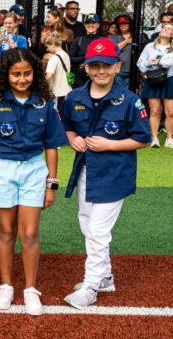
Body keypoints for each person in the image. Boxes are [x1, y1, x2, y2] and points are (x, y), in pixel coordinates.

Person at [0, 47, 68, 315]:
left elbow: (52, 146)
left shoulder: (44, 102)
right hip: (1, 170)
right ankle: (6, 286)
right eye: (16, 74)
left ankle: (30, 289)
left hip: (34, 171)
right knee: (6, 231)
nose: (22, 79)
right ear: (6, 74)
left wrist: (51, 184)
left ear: (35, 73)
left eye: (27, 73)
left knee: (29, 233)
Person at [60, 38, 151, 309]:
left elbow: (143, 138)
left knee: (98, 231)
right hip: (85, 170)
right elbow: (66, 125)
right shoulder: (74, 97)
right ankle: (105, 277)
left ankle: (90, 285)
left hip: (114, 173)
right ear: (86, 68)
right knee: (86, 224)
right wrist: (73, 139)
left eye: (107, 65)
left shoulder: (130, 100)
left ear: (118, 66)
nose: (101, 71)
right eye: (95, 65)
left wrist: (110, 144)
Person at [137, 21, 173, 149]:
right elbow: (140, 64)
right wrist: (149, 63)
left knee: (170, 112)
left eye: (169, 29)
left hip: (170, 79)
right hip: (153, 79)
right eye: (164, 28)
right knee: (155, 111)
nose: (165, 29)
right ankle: (154, 138)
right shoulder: (150, 47)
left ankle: (169, 139)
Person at [70, 12, 103, 86]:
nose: (90, 25)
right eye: (88, 23)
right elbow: (70, 58)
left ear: (98, 25)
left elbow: (105, 58)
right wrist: (86, 58)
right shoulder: (78, 40)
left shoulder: (103, 41)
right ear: (85, 25)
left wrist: (87, 63)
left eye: (93, 23)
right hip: (80, 78)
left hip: (97, 77)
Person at [42, 31, 72, 109]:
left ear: (53, 44)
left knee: (57, 114)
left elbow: (49, 76)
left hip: (58, 93)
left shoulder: (54, 58)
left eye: (48, 46)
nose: (47, 49)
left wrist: (41, 85)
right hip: (68, 92)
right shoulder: (66, 55)